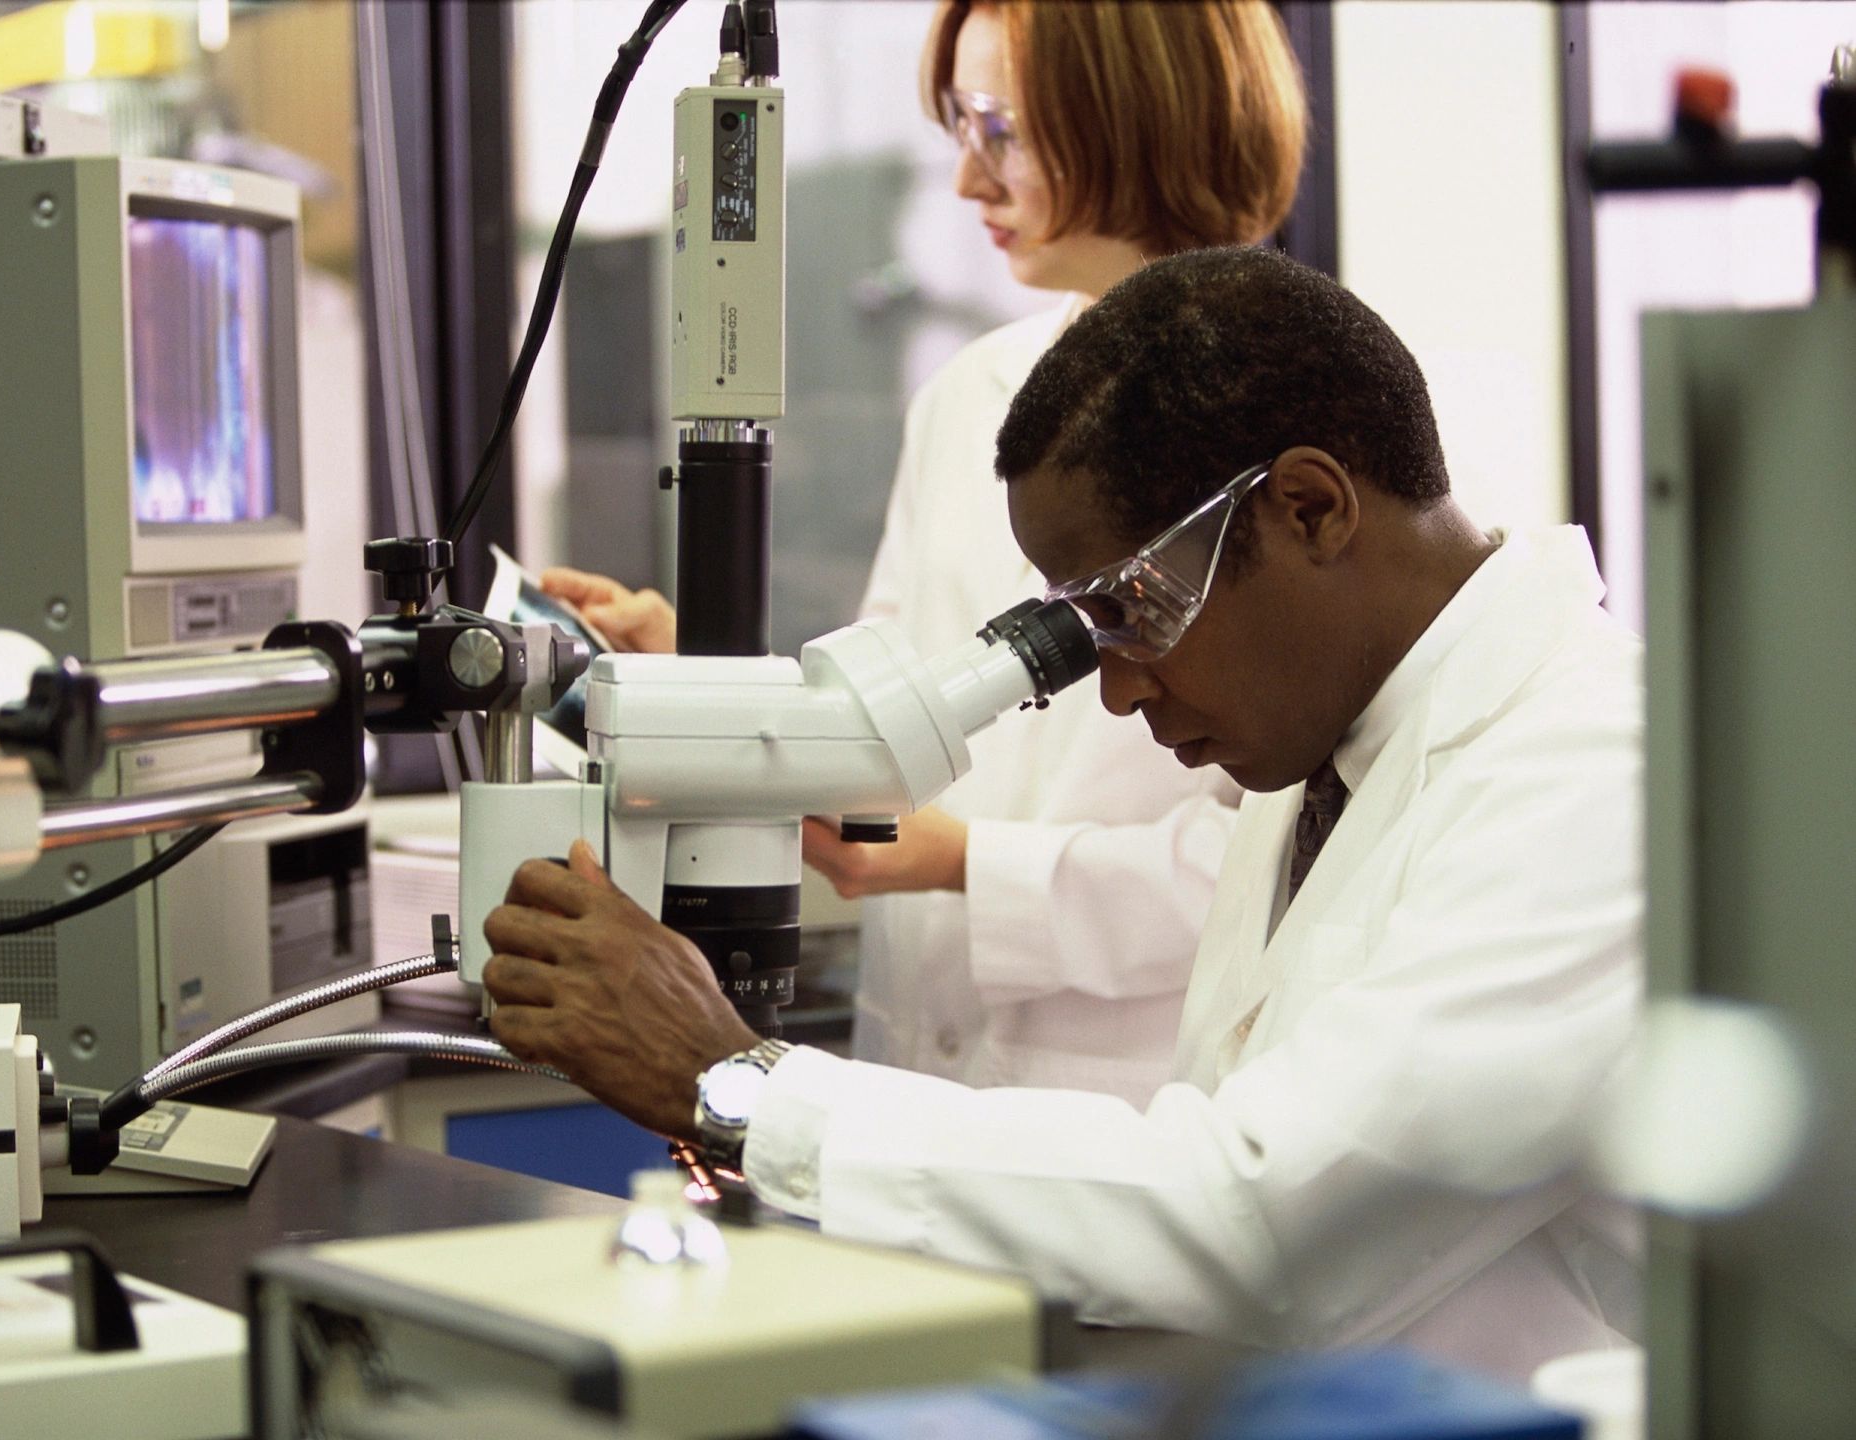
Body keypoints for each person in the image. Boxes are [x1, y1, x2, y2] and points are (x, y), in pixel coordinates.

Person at [482, 247, 1644, 1380]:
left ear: (1308, 507)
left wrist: (740, 1084)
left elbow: (1265, 1227)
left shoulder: (1590, 774)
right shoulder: (1331, 757)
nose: (1124, 689)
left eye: (1131, 614)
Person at [543, 0, 1307, 1106]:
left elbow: (1291, 862)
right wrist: (709, 677)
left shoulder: (1311, 417)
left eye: (997, 130)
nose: (966, 182)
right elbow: (896, 713)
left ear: (1138, 114)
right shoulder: (971, 397)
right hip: (917, 1065)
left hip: (1140, 1100)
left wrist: (965, 865)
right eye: (957, 129)